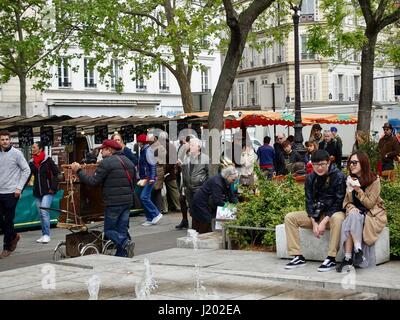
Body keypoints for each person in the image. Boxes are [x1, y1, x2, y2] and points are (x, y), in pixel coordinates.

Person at [70, 139, 135, 258]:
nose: (100, 152)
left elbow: (93, 182)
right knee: (122, 229)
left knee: (109, 230)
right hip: (127, 201)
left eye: (102, 150)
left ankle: (125, 243)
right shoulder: (128, 161)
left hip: (113, 203)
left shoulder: (106, 163)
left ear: (109, 150)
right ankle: (122, 254)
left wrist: (79, 170)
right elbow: (134, 182)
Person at [284, 150, 346, 271]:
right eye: (316, 164)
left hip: (333, 215)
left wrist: (323, 222)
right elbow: (309, 201)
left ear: (328, 162)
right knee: (290, 217)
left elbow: (338, 203)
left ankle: (331, 258)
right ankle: (297, 256)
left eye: (322, 164)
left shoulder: (339, 176)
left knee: (338, 218)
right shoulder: (310, 177)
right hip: (318, 214)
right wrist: (314, 222)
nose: (319, 167)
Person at [336, 151, 387, 272]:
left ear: (363, 163)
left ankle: (348, 258)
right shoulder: (350, 179)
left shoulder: (374, 180)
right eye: (350, 163)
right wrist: (350, 207)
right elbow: (345, 202)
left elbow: (369, 203)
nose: (351, 165)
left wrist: (358, 190)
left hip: (371, 214)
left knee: (351, 219)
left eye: (354, 162)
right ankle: (358, 251)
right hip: (356, 214)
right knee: (353, 215)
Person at [0, 130, 31, 258]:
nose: (5, 141)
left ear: (10, 140)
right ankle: (14, 235)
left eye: (6, 139)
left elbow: (26, 170)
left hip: (12, 192)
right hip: (0, 191)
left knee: (8, 220)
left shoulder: (17, 153)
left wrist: (19, 188)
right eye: (2, 139)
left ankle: (7, 247)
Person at [190, 166, 239, 234]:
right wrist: (230, 207)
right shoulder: (217, 182)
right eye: (233, 180)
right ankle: (200, 240)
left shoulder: (226, 181)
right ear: (228, 176)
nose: (234, 182)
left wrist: (238, 205)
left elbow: (231, 196)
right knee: (206, 222)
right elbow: (218, 201)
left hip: (208, 202)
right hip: (201, 202)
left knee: (209, 222)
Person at [28, 142, 60, 244]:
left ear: (40, 149)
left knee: (44, 212)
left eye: (34, 147)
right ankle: (43, 234)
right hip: (37, 192)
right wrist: (20, 188)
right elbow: (27, 176)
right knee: (41, 214)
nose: (32, 149)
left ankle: (47, 235)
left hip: (48, 191)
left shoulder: (48, 160)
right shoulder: (32, 162)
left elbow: (57, 174)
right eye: (32, 147)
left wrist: (53, 187)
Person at [136, 134, 163, 226]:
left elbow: (152, 164)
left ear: (141, 142)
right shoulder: (144, 150)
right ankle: (150, 218)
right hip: (146, 177)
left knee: (144, 197)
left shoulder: (147, 150)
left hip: (149, 177)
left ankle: (156, 214)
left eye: (138, 142)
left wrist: (152, 177)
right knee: (146, 197)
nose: (138, 143)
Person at [181, 138, 209, 220]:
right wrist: (183, 186)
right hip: (188, 188)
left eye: (192, 145)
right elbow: (184, 173)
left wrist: (205, 188)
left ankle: (199, 228)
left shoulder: (205, 158)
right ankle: (194, 228)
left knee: (199, 209)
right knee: (192, 209)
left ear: (198, 147)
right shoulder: (187, 158)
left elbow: (209, 174)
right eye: (190, 145)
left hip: (199, 188)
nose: (190, 147)